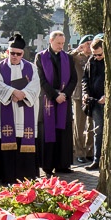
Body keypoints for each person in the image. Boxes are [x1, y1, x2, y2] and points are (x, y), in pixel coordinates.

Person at [0, 34, 41, 184]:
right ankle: (5, 175)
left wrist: (23, 94)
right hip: (6, 108)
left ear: (22, 54)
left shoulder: (31, 68)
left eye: (18, 54)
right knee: (6, 137)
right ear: (7, 52)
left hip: (24, 110)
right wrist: (13, 92)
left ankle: (26, 174)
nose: (15, 56)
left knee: (24, 137)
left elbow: (35, 85)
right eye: (12, 53)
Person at [35, 30, 77, 176]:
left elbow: (74, 79)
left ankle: (62, 165)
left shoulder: (68, 58)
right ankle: (48, 166)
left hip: (64, 100)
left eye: (63, 43)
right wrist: (54, 95)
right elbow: (41, 79)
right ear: (51, 41)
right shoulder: (41, 57)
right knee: (48, 133)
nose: (61, 46)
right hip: (48, 100)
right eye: (58, 43)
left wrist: (65, 94)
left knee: (63, 133)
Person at [81, 37, 106, 171]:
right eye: (94, 54)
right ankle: (97, 160)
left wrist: (107, 95)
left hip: (107, 101)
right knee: (98, 131)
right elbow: (85, 79)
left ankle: (106, 159)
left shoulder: (110, 62)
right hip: (95, 101)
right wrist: (85, 93)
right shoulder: (91, 61)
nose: (97, 57)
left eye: (99, 54)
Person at [70, 35, 94, 164]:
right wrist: (77, 50)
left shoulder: (95, 56)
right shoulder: (76, 57)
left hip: (92, 94)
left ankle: (90, 151)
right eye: (87, 43)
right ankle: (79, 152)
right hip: (79, 94)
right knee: (79, 124)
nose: (89, 46)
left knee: (91, 124)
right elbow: (66, 57)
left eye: (91, 43)